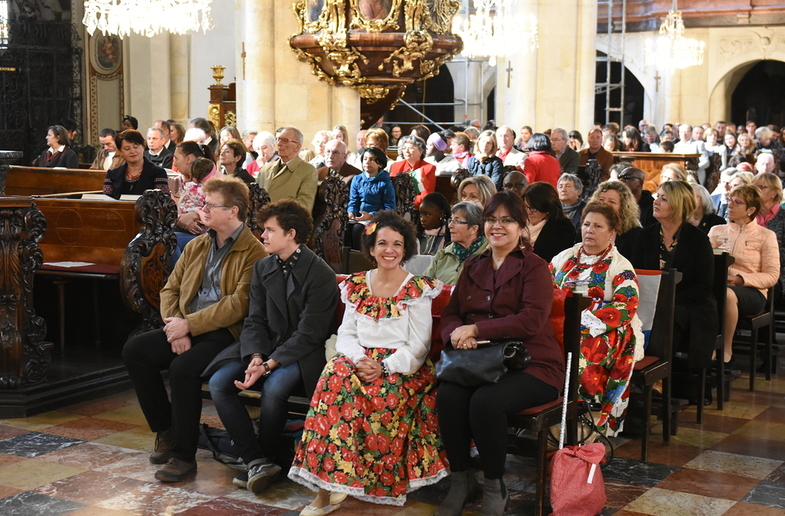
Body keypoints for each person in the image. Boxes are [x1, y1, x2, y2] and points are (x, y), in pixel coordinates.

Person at [289, 211, 448, 511]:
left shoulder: (417, 289)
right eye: (382, 243)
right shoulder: (356, 285)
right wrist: (361, 359)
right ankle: (325, 490)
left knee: (371, 394)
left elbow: (419, 347)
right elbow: (346, 334)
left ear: (406, 249)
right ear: (371, 248)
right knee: (334, 379)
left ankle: (352, 483)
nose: (390, 250)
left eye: (397, 244)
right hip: (359, 359)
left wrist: (384, 367)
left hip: (402, 367)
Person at [122, 176, 268, 482]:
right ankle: (167, 429)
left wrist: (189, 325)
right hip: (185, 324)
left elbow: (237, 305)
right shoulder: (198, 244)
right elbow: (170, 289)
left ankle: (183, 456)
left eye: (211, 205)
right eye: (204, 203)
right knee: (136, 350)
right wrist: (175, 326)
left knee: (183, 369)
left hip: (225, 332)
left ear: (233, 211)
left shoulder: (254, 252)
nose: (203, 210)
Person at [437, 192, 563, 516]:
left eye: (507, 220)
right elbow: (451, 313)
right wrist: (454, 334)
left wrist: (477, 330)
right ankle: (461, 481)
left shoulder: (535, 267)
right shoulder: (473, 265)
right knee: (448, 395)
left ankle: (495, 486)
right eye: (492, 219)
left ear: (522, 227)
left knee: (486, 402)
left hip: (533, 364)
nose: (498, 226)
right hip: (480, 361)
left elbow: (531, 320)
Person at [207, 199, 338, 495]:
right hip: (264, 346)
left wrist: (268, 365)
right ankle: (257, 461)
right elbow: (254, 320)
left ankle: (266, 458)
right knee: (218, 382)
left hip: (302, 353)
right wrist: (256, 357)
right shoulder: (262, 266)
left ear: (291, 234)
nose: (262, 235)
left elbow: (309, 334)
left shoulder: (320, 273)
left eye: (269, 230)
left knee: (275, 388)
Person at [551, 202, 642, 436]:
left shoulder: (620, 265)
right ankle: (547, 411)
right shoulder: (564, 257)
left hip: (605, 328)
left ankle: (584, 418)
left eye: (598, 226)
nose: (589, 230)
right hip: (560, 323)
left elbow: (626, 305)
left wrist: (585, 320)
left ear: (612, 233)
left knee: (583, 349)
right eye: (586, 224)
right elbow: (544, 288)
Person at [630, 181, 718, 372]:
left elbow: (702, 288)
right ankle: (628, 371)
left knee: (668, 315)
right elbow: (636, 275)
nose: (656, 202)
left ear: (679, 205)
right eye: (657, 197)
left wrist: (665, 300)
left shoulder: (698, 240)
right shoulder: (645, 236)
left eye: (664, 199)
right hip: (649, 301)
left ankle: (660, 374)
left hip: (690, 306)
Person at [708, 184, 780, 366]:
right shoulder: (717, 231)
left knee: (727, 295)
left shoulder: (766, 235)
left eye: (737, 202)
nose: (730, 205)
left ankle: (725, 350)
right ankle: (700, 349)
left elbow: (772, 275)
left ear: (751, 210)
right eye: (730, 200)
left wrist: (742, 279)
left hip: (752, 291)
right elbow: (704, 262)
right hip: (718, 285)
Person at [753, 173, 785, 298]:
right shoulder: (748, 215)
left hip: (781, 278)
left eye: (761, 187)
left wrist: (754, 258)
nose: (755, 191)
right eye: (753, 187)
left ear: (774, 193)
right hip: (748, 273)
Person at [424, 201, 487, 285]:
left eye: (457, 221)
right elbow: (423, 285)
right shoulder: (443, 255)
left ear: (473, 229)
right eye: (451, 220)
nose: (450, 225)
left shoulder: (489, 255)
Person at [257, 126, 318, 212]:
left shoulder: (308, 171)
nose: (279, 144)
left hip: (287, 219)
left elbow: (304, 206)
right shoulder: (266, 169)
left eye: (284, 140)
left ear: (297, 146)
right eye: (278, 139)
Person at [348, 147, 396, 250]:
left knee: (360, 230)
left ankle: (360, 256)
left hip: (377, 221)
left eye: (371, 159)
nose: (367, 162)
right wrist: (351, 212)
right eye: (365, 159)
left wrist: (371, 216)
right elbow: (353, 200)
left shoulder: (385, 183)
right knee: (345, 229)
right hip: (359, 218)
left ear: (380, 164)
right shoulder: (357, 179)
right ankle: (347, 256)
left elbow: (390, 208)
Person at [103, 130, 170, 199]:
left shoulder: (158, 172)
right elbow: (105, 201)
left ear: (143, 147)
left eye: (135, 147)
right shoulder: (112, 174)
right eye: (127, 149)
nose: (132, 151)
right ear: (120, 152)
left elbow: (163, 201)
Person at [523, 181, 578, 262]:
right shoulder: (518, 225)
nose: (528, 212)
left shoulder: (563, 229)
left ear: (547, 207)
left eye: (533, 208)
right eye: (525, 207)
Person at [588, 180, 641, 258]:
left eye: (612, 202)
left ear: (623, 207)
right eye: (601, 200)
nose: (604, 204)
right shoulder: (587, 228)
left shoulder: (636, 235)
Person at [391, 135, 437, 207]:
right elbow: (391, 189)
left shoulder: (428, 168)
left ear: (420, 151)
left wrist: (409, 204)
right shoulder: (396, 166)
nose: (406, 151)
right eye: (404, 148)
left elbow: (426, 195)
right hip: (396, 205)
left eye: (411, 148)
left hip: (417, 206)